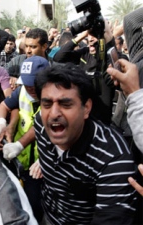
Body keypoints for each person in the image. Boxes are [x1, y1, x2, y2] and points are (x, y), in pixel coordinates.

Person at [33, 63, 136, 224]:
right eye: (47, 104)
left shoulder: (113, 158)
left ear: (86, 108)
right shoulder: (40, 123)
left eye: (66, 104)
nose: (53, 114)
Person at [0, 56, 49, 223]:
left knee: (40, 208)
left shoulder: (53, 95)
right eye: (26, 82)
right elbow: (3, 106)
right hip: (22, 162)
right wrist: (2, 122)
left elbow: (43, 123)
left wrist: (19, 144)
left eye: (33, 83)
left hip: (43, 164)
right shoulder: (23, 90)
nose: (29, 87)